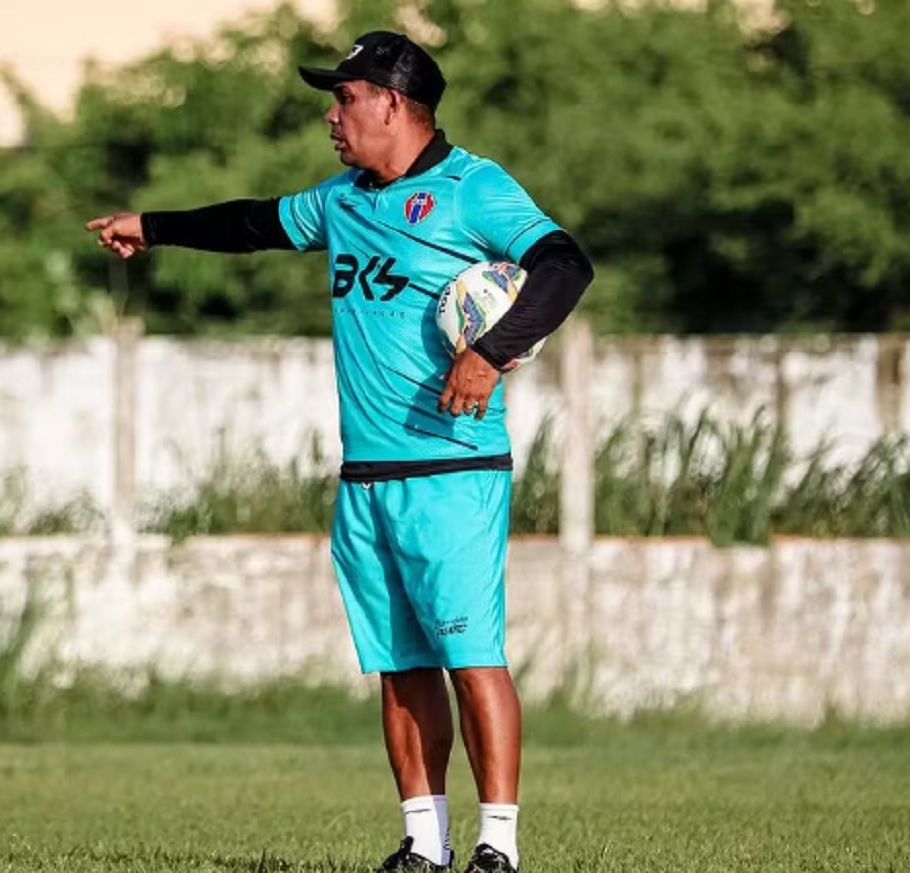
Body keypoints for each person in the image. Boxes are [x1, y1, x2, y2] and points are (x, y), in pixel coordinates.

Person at [86, 30, 593, 873]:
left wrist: (490, 350)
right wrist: (154, 225)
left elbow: (564, 265)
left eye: (345, 96)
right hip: (367, 476)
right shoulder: (345, 199)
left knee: (471, 657)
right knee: (400, 667)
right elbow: (255, 223)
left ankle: (497, 849)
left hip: (453, 468)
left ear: (393, 103)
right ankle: (424, 846)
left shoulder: (474, 190)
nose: (332, 114)